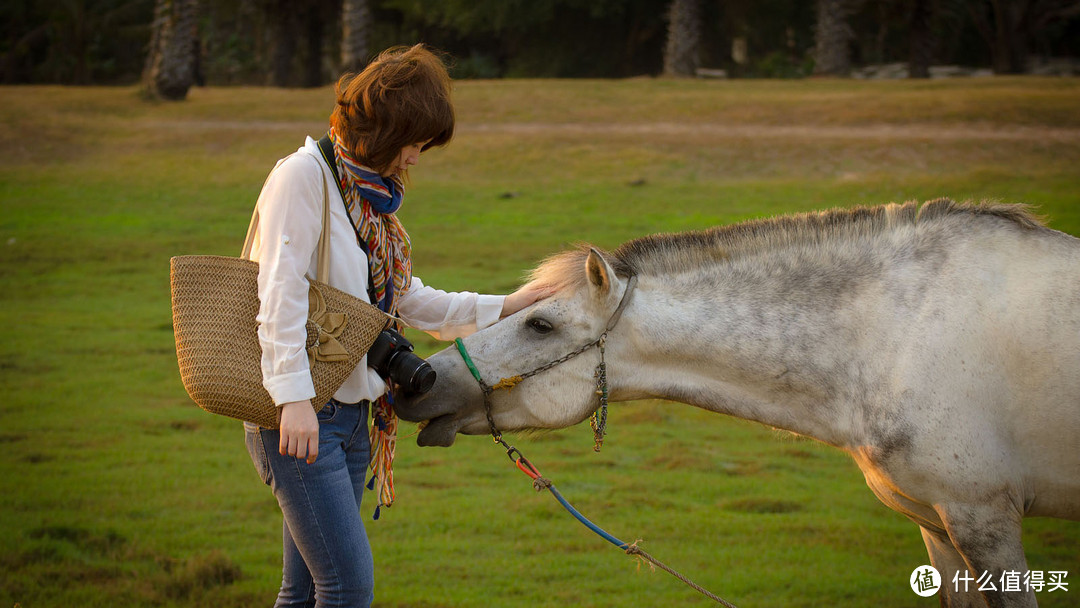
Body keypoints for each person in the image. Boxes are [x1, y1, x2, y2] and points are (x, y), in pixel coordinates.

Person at [243, 44, 545, 608]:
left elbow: (407, 301)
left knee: (304, 589)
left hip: (356, 415)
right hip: (304, 418)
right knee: (347, 589)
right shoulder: (303, 179)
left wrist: (510, 304)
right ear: (383, 131)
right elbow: (277, 292)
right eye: (413, 142)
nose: (415, 158)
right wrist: (292, 400)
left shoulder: (367, 199)